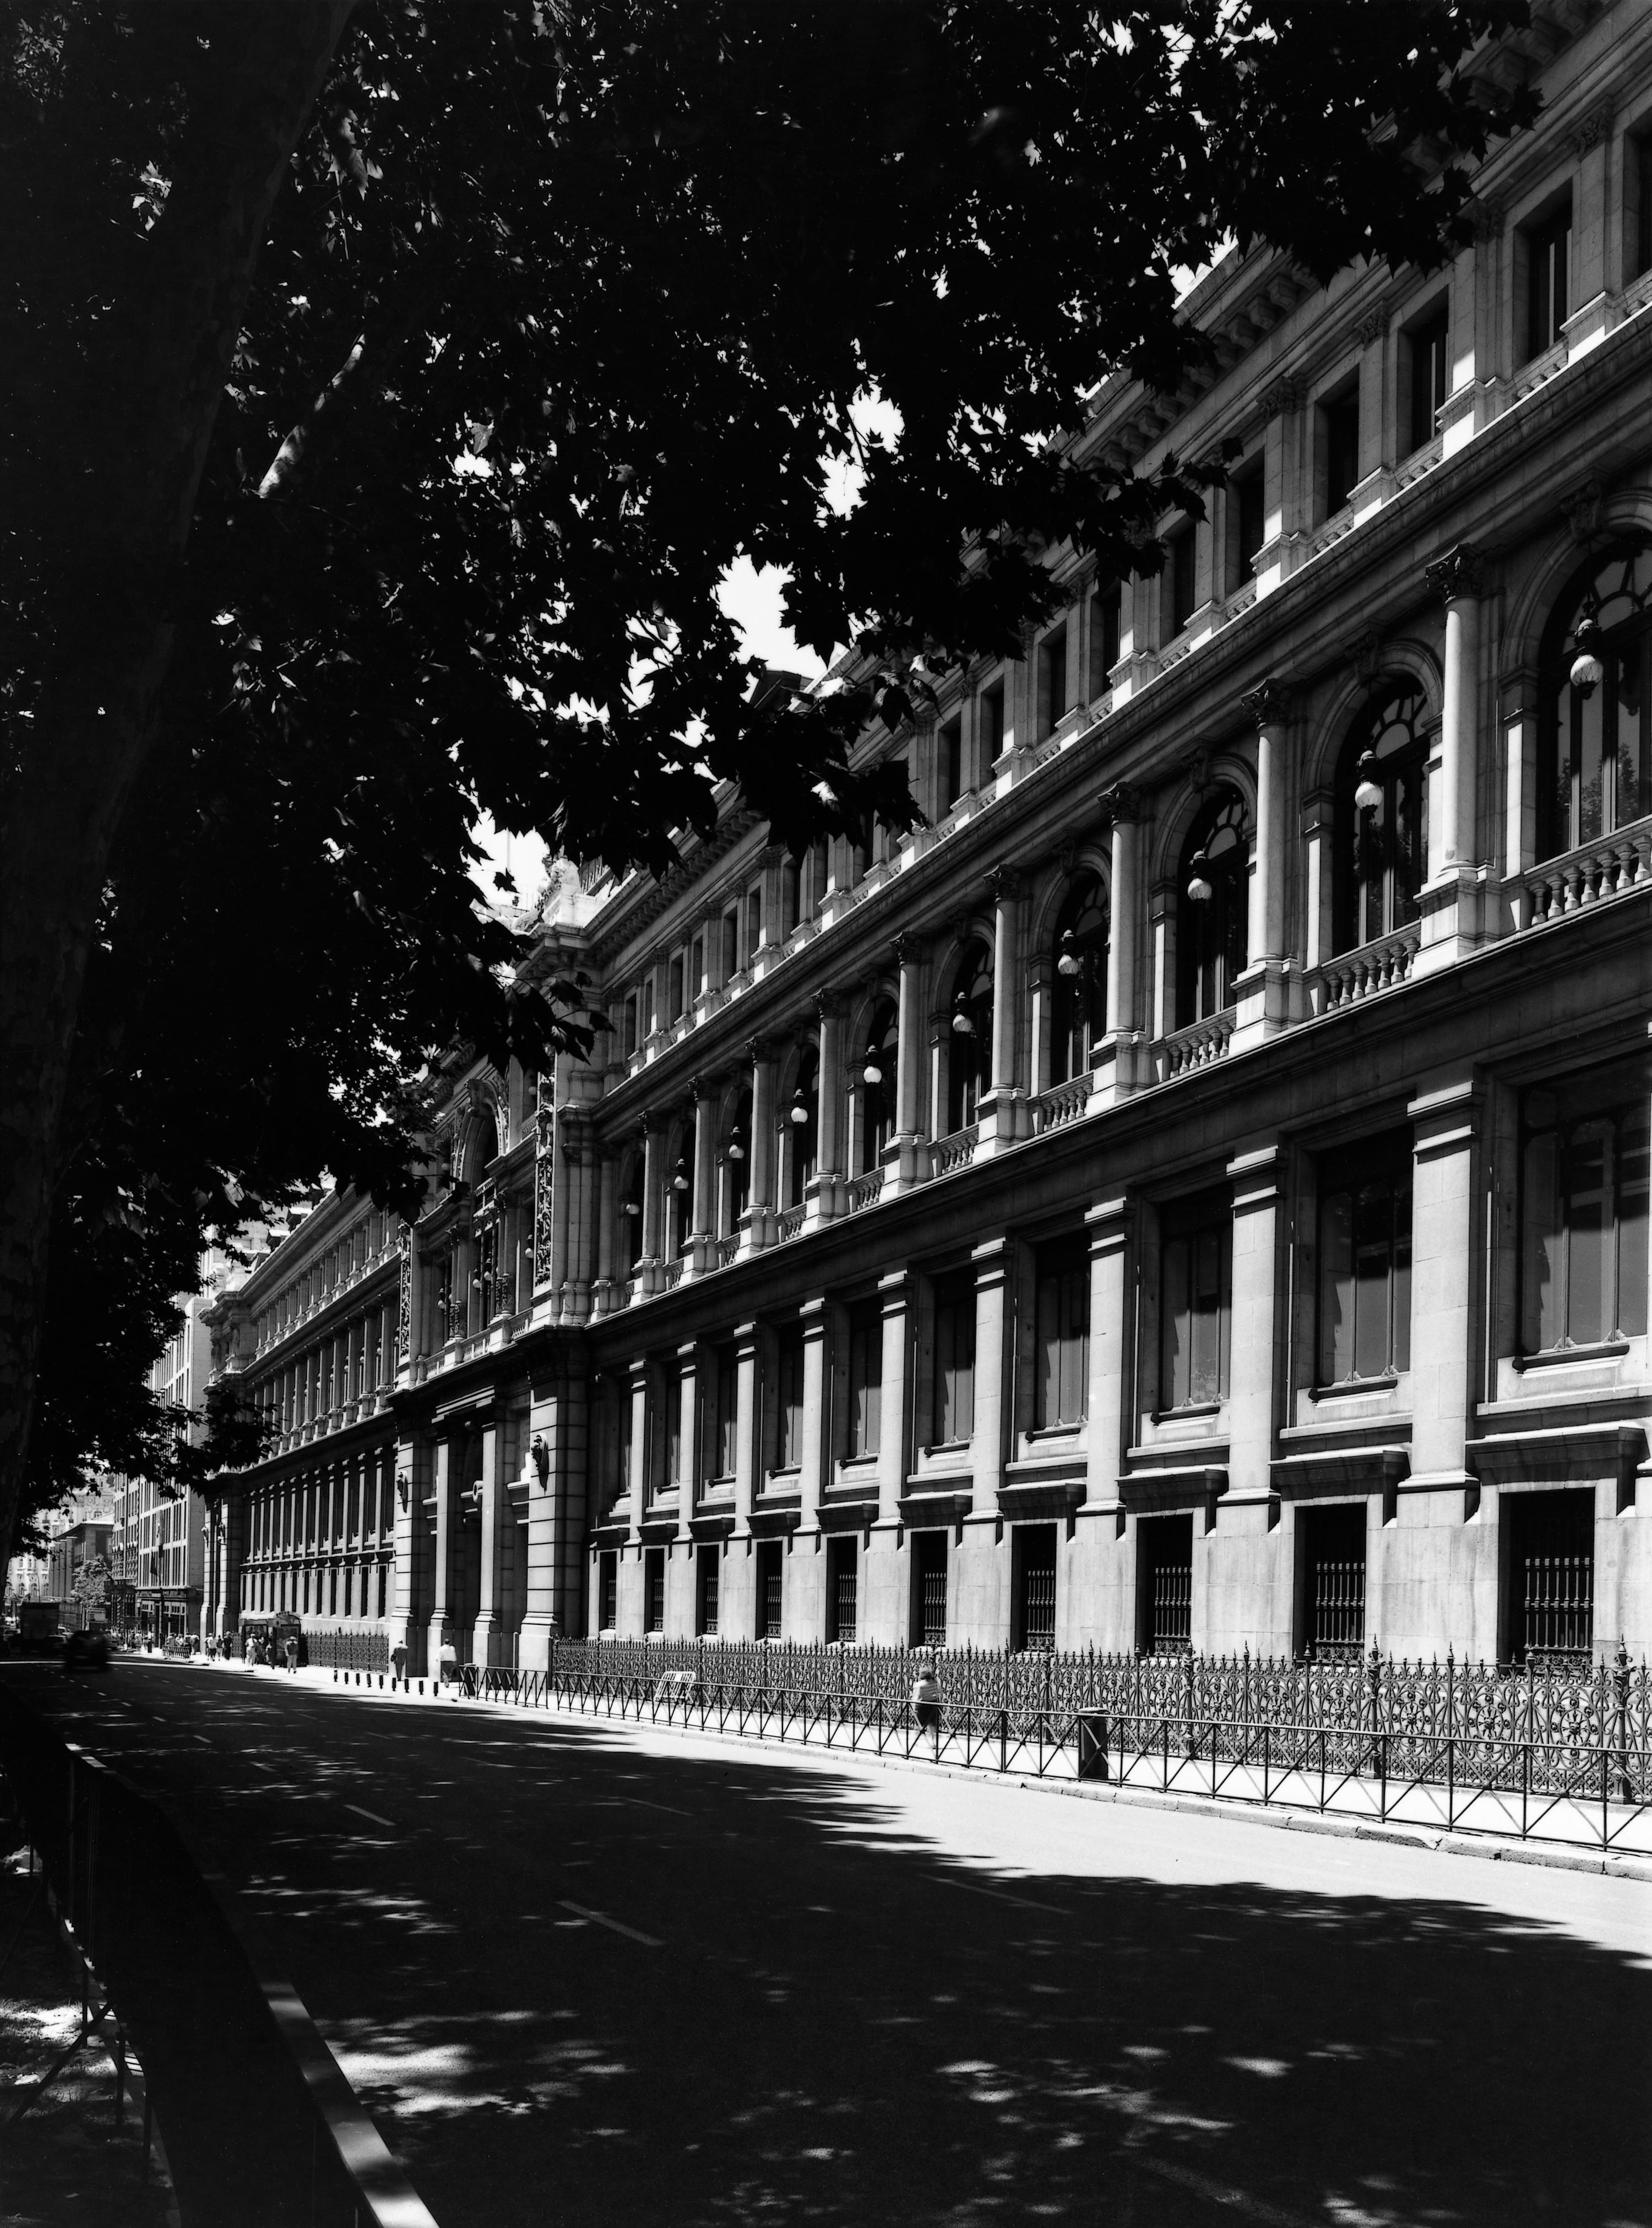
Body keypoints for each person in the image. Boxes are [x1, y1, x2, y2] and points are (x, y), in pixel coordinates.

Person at [911, 1657, 942, 1736]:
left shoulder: (920, 1685)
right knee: (932, 1725)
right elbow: (937, 1693)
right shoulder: (934, 1683)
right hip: (933, 1705)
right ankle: (933, 1742)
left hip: (923, 1706)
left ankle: (914, 1741)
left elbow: (917, 1696)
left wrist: (914, 1707)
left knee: (919, 1724)